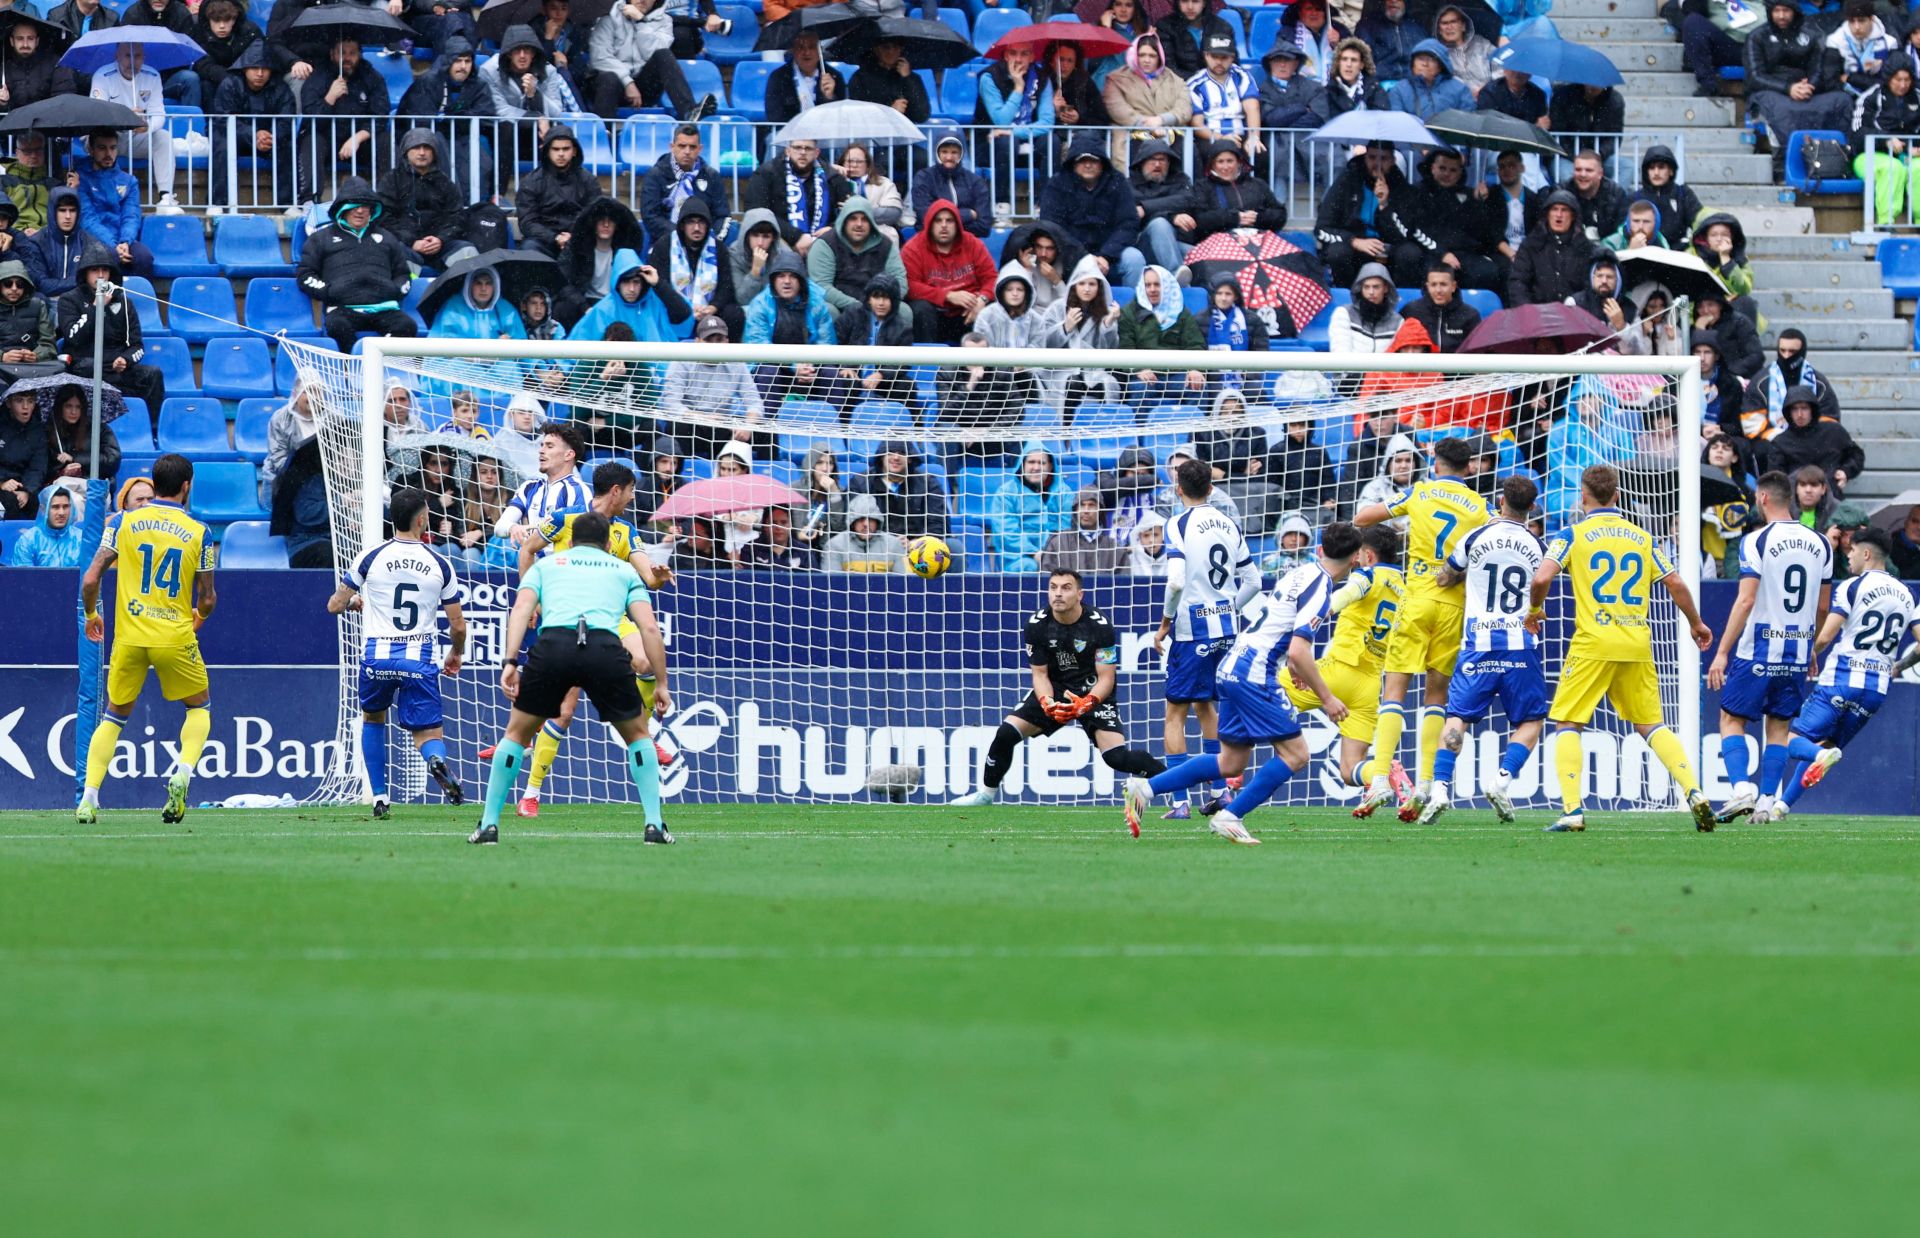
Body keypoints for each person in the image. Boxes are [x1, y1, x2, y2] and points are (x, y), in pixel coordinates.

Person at [1123, 522, 1365, 844]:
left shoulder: (1300, 573)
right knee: (1297, 755)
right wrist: (1328, 698)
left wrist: (1294, 666)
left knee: (1230, 761)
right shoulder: (1322, 590)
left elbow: (1283, 633)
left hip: (1233, 664)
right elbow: (1298, 648)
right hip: (1253, 671)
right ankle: (1231, 816)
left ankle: (1145, 788)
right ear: (1356, 559)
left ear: (1319, 549)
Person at [1533, 463, 1719, 832]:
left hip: (1593, 642)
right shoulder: (1642, 537)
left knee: (1568, 722)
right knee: (1651, 725)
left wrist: (1534, 610)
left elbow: (1541, 576)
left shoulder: (1573, 534)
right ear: (1617, 496)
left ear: (1583, 496)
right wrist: (1695, 623)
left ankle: (1572, 810)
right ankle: (1694, 791)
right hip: (1636, 641)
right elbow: (1677, 583)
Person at [470, 510, 672, 845]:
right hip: (605, 649)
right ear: (609, 543)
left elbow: (520, 611)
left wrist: (510, 661)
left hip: (554, 647)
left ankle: (489, 825)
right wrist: (661, 683)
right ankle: (654, 826)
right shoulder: (622, 569)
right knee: (639, 736)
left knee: (516, 735)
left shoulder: (546, 566)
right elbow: (649, 628)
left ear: (570, 540)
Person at [1351, 436, 1487, 819]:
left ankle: (1379, 779)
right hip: (1454, 606)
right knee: (1437, 696)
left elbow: (1364, 518)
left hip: (1417, 599)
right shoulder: (1480, 506)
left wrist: (1406, 530)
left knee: (1393, 690)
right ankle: (1426, 783)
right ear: (1469, 467)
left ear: (1435, 462)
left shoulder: (1420, 492)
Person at [77, 453, 216, 824]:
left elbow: (91, 579)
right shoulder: (199, 531)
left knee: (114, 716)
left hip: (129, 638)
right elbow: (207, 597)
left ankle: (88, 797)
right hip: (174, 636)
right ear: (186, 486)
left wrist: (92, 615)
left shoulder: (122, 520)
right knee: (198, 707)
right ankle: (182, 774)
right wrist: (199, 617)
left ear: (155, 485)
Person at [953, 568, 1167, 806]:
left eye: (1066, 588)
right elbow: (1040, 674)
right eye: (1053, 587)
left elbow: (1107, 677)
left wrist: (1088, 702)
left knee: (1116, 758)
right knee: (1005, 733)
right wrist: (1045, 700)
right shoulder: (1037, 625)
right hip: (1054, 688)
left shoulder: (1100, 626)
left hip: (1092, 692)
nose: (1058, 594)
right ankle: (985, 794)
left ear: (1079, 594)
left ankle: (1174, 783)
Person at [323, 488, 468, 818]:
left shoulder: (370, 557)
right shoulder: (440, 563)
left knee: (373, 719)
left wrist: (355, 602)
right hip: (418, 659)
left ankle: (379, 797)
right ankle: (435, 760)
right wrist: (455, 653)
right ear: (421, 519)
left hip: (378, 658)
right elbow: (458, 626)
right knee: (427, 733)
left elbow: (334, 605)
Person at [1415, 477, 1549, 822]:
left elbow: (1444, 577)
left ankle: (1441, 788)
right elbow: (1542, 587)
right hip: (1520, 644)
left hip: (1478, 644)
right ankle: (1502, 780)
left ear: (1501, 500)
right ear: (1532, 508)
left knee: (1457, 716)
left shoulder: (1476, 537)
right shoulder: (1538, 547)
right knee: (1531, 720)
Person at [1706, 470, 1834, 826]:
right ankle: (1766, 801)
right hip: (1795, 652)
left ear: (1762, 498)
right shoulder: (1821, 542)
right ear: (1789, 498)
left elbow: (1745, 601)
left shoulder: (1756, 540)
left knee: (1731, 719)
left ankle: (1741, 790)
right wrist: (1811, 648)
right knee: (1778, 728)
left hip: (1758, 648)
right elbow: (1823, 607)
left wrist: (1721, 651)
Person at [1775, 527, 1917, 814]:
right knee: (1825, 746)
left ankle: (1820, 755)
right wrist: (1899, 666)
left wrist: (1804, 659)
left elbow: (1826, 636)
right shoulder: (1908, 594)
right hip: (1875, 691)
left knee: (1788, 740)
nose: (1848, 556)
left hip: (1840, 680)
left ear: (1866, 553)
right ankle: (1781, 807)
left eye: (1851, 551)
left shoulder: (1852, 587)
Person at [1150, 458, 1260, 820]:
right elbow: (1254, 583)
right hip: (1227, 630)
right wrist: (1227, 608)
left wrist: (1165, 623)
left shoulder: (1176, 523)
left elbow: (1177, 580)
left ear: (1178, 488)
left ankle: (1179, 800)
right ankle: (1219, 792)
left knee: (1174, 714)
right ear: (1211, 487)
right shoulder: (1229, 523)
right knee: (1208, 707)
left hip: (1191, 630)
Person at [296, 179, 416, 355]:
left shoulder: (387, 238)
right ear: (342, 208)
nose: (360, 210)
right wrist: (329, 292)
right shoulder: (321, 238)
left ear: (372, 210)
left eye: (365, 206)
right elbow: (305, 274)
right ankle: (353, 370)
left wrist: (394, 290)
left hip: (384, 308)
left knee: (407, 326)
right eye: (354, 205)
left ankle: (385, 372)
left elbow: (403, 274)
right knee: (336, 326)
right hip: (343, 310)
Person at [57, 245, 166, 429]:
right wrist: (95, 307)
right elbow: (72, 337)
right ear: (85, 273)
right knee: (88, 367)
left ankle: (151, 430)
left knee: (152, 374)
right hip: (86, 367)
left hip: (117, 370)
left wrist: (126, 359)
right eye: (94, 270)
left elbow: (137, 346)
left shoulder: (124, 302)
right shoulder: (69, 300)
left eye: (105, 270)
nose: (100, 275)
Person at [1746, 0, 1854, 154]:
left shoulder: (1811, 35)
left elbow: (1819, 70)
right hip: (1771, 92)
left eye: (1786, 11)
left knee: (1842, 100)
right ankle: (1790, 158)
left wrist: (1810, 86)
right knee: (1782, 109)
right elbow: (1755, 77)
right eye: (1777, 11)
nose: (1781, 16)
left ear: (1794, 11)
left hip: (1806, 92)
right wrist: (1788, 88)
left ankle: (1837, 155)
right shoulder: (1756, 37)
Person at [1036, 135, 1144, 288]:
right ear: (1073, 163)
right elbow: (1052, 227)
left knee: (1134, 258)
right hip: (1070, 256)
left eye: (1093, 160)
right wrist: (1083, 257)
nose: (1088, 165)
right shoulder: (1057, 183)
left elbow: (1128, 224)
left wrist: (1106, 255)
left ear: (1102, 163)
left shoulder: (1117, 182)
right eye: (1082, 160)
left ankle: (1133, 309)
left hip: (1109, 256)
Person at [209, 42, 304, 213]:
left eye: (265, 68)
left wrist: (270, 137)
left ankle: (288, 204)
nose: (260, 73)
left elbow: (286, 120)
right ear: (244, 68)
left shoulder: (280, 88)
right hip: (237, 138)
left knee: (287, 146)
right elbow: (223, 119)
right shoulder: (230, 84)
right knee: (221, 144)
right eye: (254, 67)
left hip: (269, 140)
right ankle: (218, 203)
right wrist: (253, 135)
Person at [88, 42, 180, 213]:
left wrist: (147, 127)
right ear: (117, 56)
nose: (132, 62)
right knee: (98, 138)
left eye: (137, 56)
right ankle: (101, 197)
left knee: (163, 137)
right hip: (108, 134)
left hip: (137, 137)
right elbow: (97, 113)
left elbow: (159, 113)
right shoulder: (103, 75)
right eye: (127, 56)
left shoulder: (152, 75)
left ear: (143, 57)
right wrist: (126, 118)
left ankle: (166, 197)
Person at [1315, 141, 1417, 288]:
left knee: (1410, 253)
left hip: (1388, 247)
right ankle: (1346, 296)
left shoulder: (1402, 187)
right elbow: (1321, 229)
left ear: (1393, 161)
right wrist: (1354, 241)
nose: (1377, 163)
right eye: (1372, 157)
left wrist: (1385, 205)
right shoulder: (1346, 182)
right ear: (1365, 158)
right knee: (1337, 252)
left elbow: (1406, 234)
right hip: (1354, 246)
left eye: (1384, 159)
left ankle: (1401, 298)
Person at [1403, 146, 1505, 293]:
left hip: (1463, 254)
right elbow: (1414, 230)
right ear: (1432, 168)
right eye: (1442, 168)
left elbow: (1482, 233)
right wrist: (1442, 253)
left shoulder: (1469, 195)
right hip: (1430, 252)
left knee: (1489, 271)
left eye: (1453, 170)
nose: (1447, 174)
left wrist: (1480, 203)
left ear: (1460, 172)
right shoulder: (1417, 192)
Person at [584, 0, 708, 119]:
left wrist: (641, 22)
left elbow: (653, 53)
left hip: (643, 88)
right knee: (609, 78)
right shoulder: (609, 18)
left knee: (663, 54)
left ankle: (689, 112)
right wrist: (628, 82)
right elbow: (600, 57)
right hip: (609, 86)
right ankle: (604, 133)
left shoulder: (665, 21)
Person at [975, 40, 1056, 214]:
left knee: (1052, 142)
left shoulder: (1042, 78)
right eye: (1013, 53)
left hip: (1028, 144)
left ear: (1033, 57)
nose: (1018, 59)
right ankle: (1001, 203)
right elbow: (1001, 121)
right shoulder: (989, 77)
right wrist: (1019, 87)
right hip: (992, 146)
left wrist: (1014, 131)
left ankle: (1045, 204)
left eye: (1024, 53)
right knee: (1006, 141)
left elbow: (1047, 122)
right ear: (1005, 55)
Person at [902, 198, 996, 345]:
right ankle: (927, 364)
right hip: (935, 314)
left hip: (968, 312)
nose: (944, 226)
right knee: (919, 308)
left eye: (949, 221)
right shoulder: (913, 248)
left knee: (993, 309)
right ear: (930, 224)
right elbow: (910, 286)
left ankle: (986, 365)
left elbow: (991, 278)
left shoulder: (972, 243)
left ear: (958, 224)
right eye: (938, 221)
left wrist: (982, 300)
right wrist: (947, 295)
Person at [1038, 254, 1122, 416]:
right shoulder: (1057, 308)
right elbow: (1044, 343)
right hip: (1061, 371)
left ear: (1099, 287)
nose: (1087, 288)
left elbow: (1111, 349)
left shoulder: (1107, 311)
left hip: (1093, 371)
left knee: (1108, 384)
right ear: (1074, 286)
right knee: (1072, 384)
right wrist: (1065, 327)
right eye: (1082, 283)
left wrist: (1109, 324)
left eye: (1092, 284)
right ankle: (1067, 436)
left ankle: (1102, 433)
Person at [650, 197, 743, 342]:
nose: (697, 228)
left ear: (708, 225)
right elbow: (661, 284)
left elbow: (726, 287)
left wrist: (713, 307)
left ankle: (731, 359)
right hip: (676, 309)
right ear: (682, 225)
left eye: (701, 222)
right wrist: (685, 307)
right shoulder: (664, 245)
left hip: (709, 313)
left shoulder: (718, 248)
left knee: (734, 313)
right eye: (691, 222)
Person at [741, 138, 850, 257]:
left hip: (825, 244)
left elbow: (849, 213)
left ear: (817, 153)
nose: (802, 152)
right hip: (779, 244)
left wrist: (832, 229)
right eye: (797, 147)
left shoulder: (832, 176)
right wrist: (795, 236)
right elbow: (756, 212)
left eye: (808, 148)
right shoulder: (766, 173)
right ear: (788, 151)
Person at [571, 248, 691, 355]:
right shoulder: (604, 309)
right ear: (617, 283)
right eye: (626, 282)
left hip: (661, 371)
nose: (632, 289)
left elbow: (684, 315)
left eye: (636, 282)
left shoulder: (656, 300)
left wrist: (658, 284)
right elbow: (577, 343)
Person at [1117, 264, 1206, 408]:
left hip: (1177, 374)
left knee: (1198, 386)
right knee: (1141, 390)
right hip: (1145, 374)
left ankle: (1195, 431)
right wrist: (1139, 369)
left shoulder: (1181, 311)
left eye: (1157, 284)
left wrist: (1195, 369)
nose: (1152, 289)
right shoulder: (1129, 312)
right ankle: (1141, 431)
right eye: (1148, 285)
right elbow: (1125, 347)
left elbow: (1195, 344)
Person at [71, 131, 154, 280]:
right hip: (92, 239)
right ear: (91, 149)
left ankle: (138, 300)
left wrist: (125, 242)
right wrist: (113, 245)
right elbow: (87, 218)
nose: (108, 153)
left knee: (144, 257)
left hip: (122, 239)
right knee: (109, 256)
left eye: (113, 148)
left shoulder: (129, 181)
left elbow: (131, 216)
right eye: (102, 148)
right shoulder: (80, 179)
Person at [806, 197, 908, 317]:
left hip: (877, 304)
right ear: (844, 220)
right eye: (853, 218)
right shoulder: (825, 244)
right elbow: (821, 286)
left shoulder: (886, 245)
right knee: (827, 310)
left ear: (871, 222)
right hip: (839, 306)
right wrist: (857, 306)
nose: (859, 224)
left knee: (903, 311)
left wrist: (880, 302)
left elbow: (900, 282)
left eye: (864, 219)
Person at [1177, 140, 1286, 250]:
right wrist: (1235, 218)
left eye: (1230, 161)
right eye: (1220, 161)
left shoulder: (1258, 184)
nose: (1225, 166)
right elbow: (1200, 219)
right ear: (1212, 165)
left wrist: (1258, 218)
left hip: (1258, 244)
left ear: (1239, 162)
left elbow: (1280, 214)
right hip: (1219, 247)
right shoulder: (1202, 186)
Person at [1737, 328, 1841, 442]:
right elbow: (1751, 421)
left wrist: (1808, 437)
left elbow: (1830, 419)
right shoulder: (1760, 382)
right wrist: (1782, 439)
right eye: (1782, 350)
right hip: (1772, 443)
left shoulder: (1818, 383)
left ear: (1802, 352)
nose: (1786, 356)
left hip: (1811, 444)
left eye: (1792, 352)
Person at [1102, 33, 1193, 161]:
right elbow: (1117, 108)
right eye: (1141, 55)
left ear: (1160, 57)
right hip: (1131, 134)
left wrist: (1162, 120)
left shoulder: (1175, 79)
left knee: (1189, 154)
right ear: (1134, 55)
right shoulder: (1116, 78)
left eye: (1152, 56)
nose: (1146, 60)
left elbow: (1185, 109)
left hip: (1169, 132)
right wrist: (1147, 124)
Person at [515, 125, 599, 258]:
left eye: (566, 149)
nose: (561, 153)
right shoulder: (531, 181)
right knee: (529, 248)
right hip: (543, 242)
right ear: (548, 151)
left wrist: (574, 236)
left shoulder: (589, 181)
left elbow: (594, 217)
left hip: (579, 240)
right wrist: (555, 238)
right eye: (555, 149)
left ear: (574, 151)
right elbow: (528, 222)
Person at [991, 442, 1075, 572]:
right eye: (1031, 462)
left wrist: (1052, 554)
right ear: (1022, 464)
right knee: (1028, 566)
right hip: (1019, 558)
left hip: (1057, 554)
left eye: (1042, 463)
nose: (1036, 467)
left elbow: (1066, 527)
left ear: (1051, 466)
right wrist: (1033, 553)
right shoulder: (1006, 493)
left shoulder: (1064, 492)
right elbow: (1006, 532)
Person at [1768, 388, 1866, 496]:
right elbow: (1776, 480)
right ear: (1789, 412)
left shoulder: (1833, 432)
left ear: (1812, 410)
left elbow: (1856, 455)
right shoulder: (1781, 442)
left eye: (1804, 408)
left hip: (1831, 499)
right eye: (1795, 409)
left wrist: (1845, 472)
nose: (1799, 414)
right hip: (1796, 504)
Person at [1508, 189, 1594, 306]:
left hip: (1575, 315)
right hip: (1537, 315)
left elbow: (1592, 286)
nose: (1559, 215)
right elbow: (1518, 283)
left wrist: (1576, 301)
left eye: (1564, 210)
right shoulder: (1530, 245)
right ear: (1547, 214)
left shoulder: (1585, 248)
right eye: (1554, 209)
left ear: (1573, 216)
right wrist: (1529, 311)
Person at [909, 129, 992, 239]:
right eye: (944, 152)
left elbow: (984, 226)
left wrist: (942, 222)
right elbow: (926, 218)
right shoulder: (924, 177)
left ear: (961, 154)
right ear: (937, 153)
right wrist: (968, 214)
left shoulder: (975, 181)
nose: (949, 157)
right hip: (931, 241)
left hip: (965, 243)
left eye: (954, 152)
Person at [765, 29, 843, 127]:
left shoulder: (834, 76)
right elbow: (774, 116)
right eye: (801, 47)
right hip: (788, 134)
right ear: (793, 50)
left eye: (811, 47)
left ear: (819, 51)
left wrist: (829, 97)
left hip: (824, 132)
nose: (807, 52)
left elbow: (840, 118)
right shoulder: (778, 77)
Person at [1402, 261, 1481, 355]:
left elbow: (1476, 352)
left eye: (1443, 284)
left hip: (1457, 368)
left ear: (1453, 286)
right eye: (1433, 285)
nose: (1438, 290)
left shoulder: (1470, 315)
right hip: (1421, 368)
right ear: (1427, 286)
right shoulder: (1411, 311)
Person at [0, 15, 77, 111]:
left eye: (30, 38)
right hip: (11, 123)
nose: (25, 44)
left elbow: (65, 100)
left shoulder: (56, 63)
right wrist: (3, 104)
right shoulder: (3, 66)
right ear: (12, 41)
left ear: (37, 41)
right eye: (20, 38)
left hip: (46, 122)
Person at [1385, 37, 1475, 120]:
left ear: (1441, 65)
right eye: (1420, 59)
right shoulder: (1399, 90)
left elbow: (1466, 121)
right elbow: (1397, 122)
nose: (1425, 64)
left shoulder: (1460, 89)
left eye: (1430, 59)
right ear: (1412, 64)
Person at [46, 383, 118, 481]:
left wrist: (75, 458)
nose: (73, 412)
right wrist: (62, 471)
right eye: (68, 406)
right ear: (60, 407)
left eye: (78, 407)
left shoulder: (98, 429)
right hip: (61, 486)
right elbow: (42, 467)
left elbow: (112, 460)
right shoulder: (49, 430)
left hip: (94, 483)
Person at [822, 492, 909, 572]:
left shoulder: (893, 545)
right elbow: (832, 585)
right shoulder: (835, 546)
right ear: (852, 523)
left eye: (870, 519)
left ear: (877, 522)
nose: (866, 524)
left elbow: (904, 583)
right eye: (860, 519)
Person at [1327, 261, 1403, 354]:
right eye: (1366, 287)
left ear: (1386, 288)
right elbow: (1340, 352)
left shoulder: (1398, 321)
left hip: (1384, 369)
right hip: (1350, 368)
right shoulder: (1344, 313)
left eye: (1376, 287)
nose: (1371, 292)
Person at [1634, 146, 1701, 249]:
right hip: (1645, 252)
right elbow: (1625, 229)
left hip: (1678, 253)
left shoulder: (1683, 194)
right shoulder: (1635, 198)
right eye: (1652, 168)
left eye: (1661, 167)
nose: (1656, 172)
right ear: (1646, 172)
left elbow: (1699, 221)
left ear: (1671, 171)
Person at [726, 207, 791, 312]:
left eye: (766, 237)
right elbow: (742, 299)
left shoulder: (784, 254)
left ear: (773, 238)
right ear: (747, 236)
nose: (760, 242)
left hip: (777, 309)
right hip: (748, 309)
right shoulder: (734, 254)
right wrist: (755, 272)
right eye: (755, 236)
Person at [0, 379, 48, 519]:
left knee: (36, 503)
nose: (25, 406)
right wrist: (2, 483)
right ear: (9, 403)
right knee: (9, 503)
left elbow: (38, 467)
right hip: (3, 483)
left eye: (30, 401)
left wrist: (27, 490)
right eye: (19, 401)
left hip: (23, 484)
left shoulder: (38, 431)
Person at [1694, 292, 1764, 380]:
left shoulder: (1739, 323)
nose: (1705, 311)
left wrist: (1729, 373)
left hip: (1738, 380)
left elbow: (1756, 356)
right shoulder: (1696, 327)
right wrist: (1700, 332)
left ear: (1720, 305)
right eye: (1700, 306)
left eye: (1710, 305)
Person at [1549, 85, 1625, 163]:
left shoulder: (1614, 100)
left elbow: (1614, 137)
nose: (1594, 86)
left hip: (1600, 157)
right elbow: (1557, 132)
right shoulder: (1563, 96)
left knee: (1628, 167)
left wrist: (1599, 155)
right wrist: (1575, 156)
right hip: (1566, 156)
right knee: (1565, 173)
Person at [0, 259, 55, 364]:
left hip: (31, 366)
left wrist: (36, 355)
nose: (14, 288)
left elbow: (49, 345)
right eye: (8, 284)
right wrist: (3, 356)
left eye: (20, 284)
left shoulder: (38, 305)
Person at [1355, 0, 1421, 83]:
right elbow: (1365, 61)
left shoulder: (1415, 27)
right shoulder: (1367, 26)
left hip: (1412, 83)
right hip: (1380, 83)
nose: (1393, 1)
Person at [1478, 66, 1548, 127]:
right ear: (1505, 70)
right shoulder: (1489, 92)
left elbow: (1542, 121)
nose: (1518, 73)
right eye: (1514, 68)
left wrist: (1542, 125)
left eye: (1523, 69)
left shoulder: (1538, 94)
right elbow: (1490, 124)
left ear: (1530, 73)